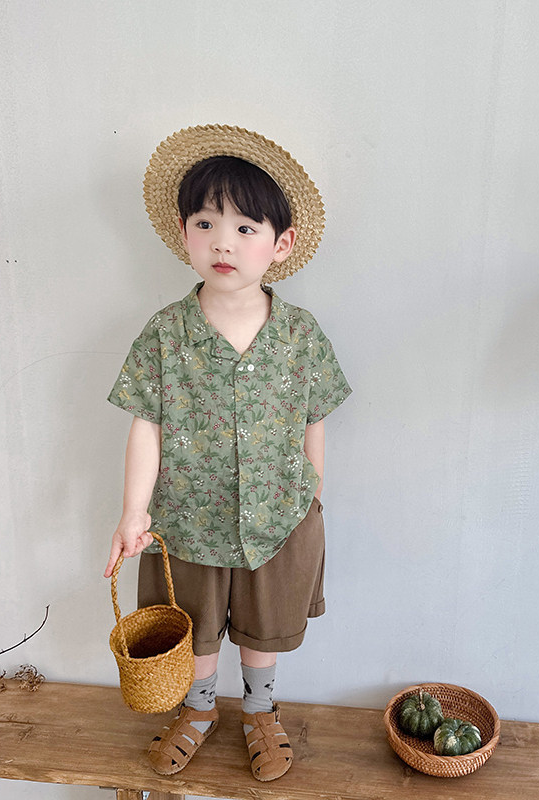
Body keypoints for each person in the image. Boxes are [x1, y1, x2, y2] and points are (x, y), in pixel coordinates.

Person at [104, 125, 351, 782]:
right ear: (183, 232)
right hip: (187, 517)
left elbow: (315, 419)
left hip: (279, 515)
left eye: (245, 227)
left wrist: (312, 492)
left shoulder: (300, 336)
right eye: (206, 223)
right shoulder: (165, 334)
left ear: (281, 243)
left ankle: (261, 711)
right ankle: (199, 708)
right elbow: (146, 426)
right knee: (197, 621)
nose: (223, 241)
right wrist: (133, 512)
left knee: (265, 621)